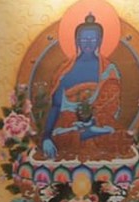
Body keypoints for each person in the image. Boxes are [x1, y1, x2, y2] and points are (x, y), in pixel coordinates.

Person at [40, 13, 130, 161]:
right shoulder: (64, 70)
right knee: (61, 137)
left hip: (98, 123)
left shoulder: (108, 70)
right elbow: (56, 106)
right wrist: (47, 136)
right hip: (69, 122)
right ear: (77, 41)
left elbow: (111, 108)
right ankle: (85, 133)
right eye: (84, 39)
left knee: (120, 135)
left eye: (93, 39)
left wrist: (91, 122)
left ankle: (89, 132)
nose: (88, 43)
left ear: (99, 41)